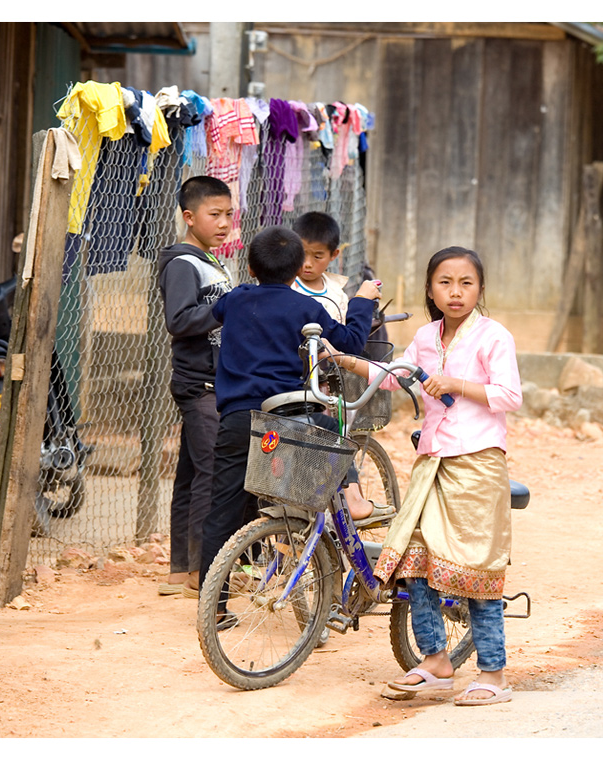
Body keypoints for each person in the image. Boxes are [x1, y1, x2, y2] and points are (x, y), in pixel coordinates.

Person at [325, 245, 522, 706]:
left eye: (466, 283)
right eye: (446, 283)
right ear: (431, 289)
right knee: (415, 564)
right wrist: (344, 360)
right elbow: (394, 375)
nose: (456, 292)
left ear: (480, 289)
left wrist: (456, 385)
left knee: (478, 570)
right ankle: (436, 660)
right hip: (431, 462)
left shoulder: (494, 337)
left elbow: (509, 395)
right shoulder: (426, 336)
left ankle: (493, 673)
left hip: (477, 465)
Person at [196, 226, 381, 620]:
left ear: (249, 266)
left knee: (223, 508)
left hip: (234, 419)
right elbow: (348, 342)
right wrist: (363, 302)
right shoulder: (305, 310)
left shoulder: (236, 299)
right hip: (283, 420)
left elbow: (210, 316)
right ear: (299, 268)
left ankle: (215, 607)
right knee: (317, 460)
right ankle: (347, 500)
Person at [157, 176, 235, 598]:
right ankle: (202, 575)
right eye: (214, 215)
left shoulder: (210, 260)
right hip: (200, 383)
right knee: (212, 474)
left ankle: (179, 570)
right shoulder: (183, 263)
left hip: (212, 381)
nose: (224, 223)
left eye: (229, 214)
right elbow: (179, 320)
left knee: (190, 474)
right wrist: (228, 306)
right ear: (189, 217)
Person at [291, 210, 395, 525]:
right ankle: (352, 498)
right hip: (302, 379)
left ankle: (338, 509)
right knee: (325, 439)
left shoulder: (335, 290)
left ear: (335, 256)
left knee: (335, 437)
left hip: (332, 379)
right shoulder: (292, 288)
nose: (307, 263)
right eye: (302, 254)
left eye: (317, 256)